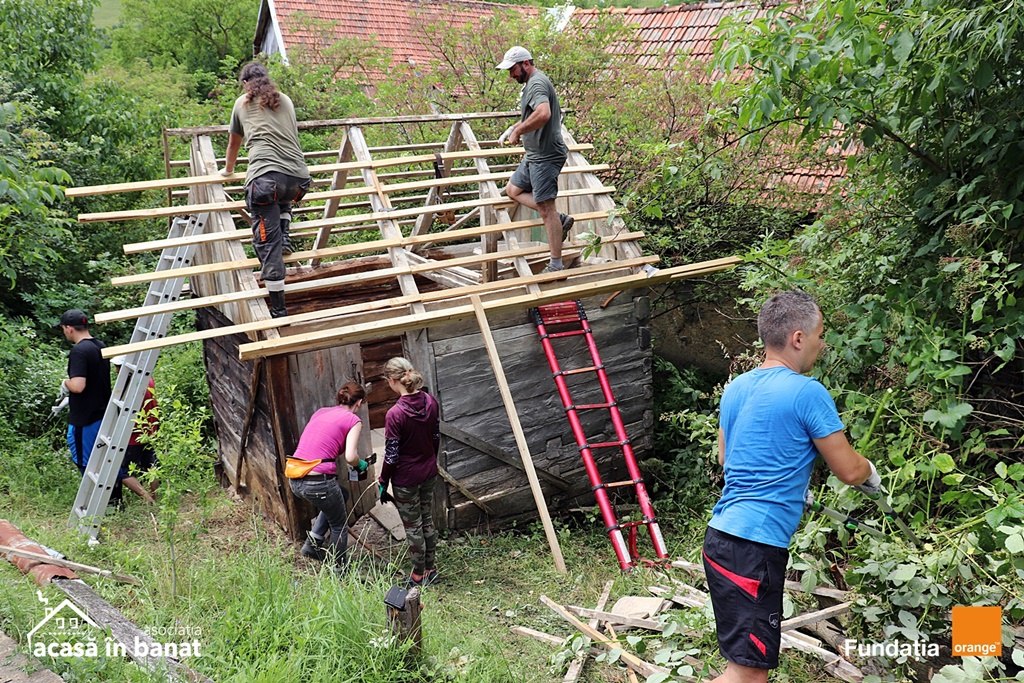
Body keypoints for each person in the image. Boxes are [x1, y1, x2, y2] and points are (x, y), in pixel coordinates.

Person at [704, 290, 882, 683]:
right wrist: (870, 470)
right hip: (752, 549)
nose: (823, 343)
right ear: (798, 337)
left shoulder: (736, 388)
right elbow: (848, 471)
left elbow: (725, 457)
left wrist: (785, 483)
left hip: (722, 539)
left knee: (744, 670)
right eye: (820, 333)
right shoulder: (807, 392)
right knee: (748, 676)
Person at [222, 61, 311, 319]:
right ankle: (285, 236)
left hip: (264, 181)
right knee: (281, 194)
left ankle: (279, 310)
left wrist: (228, 171)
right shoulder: (286, 100)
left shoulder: (242, 103)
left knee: (266, 244)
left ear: (245, 83)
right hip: (299, 181)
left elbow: (233, 144)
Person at [495, 46, 574, 274]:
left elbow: (544, 114)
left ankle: (556, 265)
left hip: (546, 156)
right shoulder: (532, 83)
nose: (511, 75)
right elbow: (534, 116)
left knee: (545, 208)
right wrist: (516, 126)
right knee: (513, 190)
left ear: (526, 63)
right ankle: (559, 220)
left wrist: (518, 131)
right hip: (534, 155)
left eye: (513, 69)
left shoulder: (537, 83)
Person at [289, 382, 369, 574]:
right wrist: (361, 465)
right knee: (339, 525)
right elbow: (350, 456)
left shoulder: (321, 412)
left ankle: (313, 544)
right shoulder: (353, 420)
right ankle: (340, 570)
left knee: (340, 494)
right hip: (318, 482)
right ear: (358, 403)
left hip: (295, 478)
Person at [379, 357, 440, 588]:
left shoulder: (395, 414)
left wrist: (383, 480)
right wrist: (430, 459)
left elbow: (392, 455)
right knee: (427, 519)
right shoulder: (431, 401)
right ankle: (431, 569)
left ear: (393, 380)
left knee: (413, 525)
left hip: (406, 479)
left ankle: (418, 575)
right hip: (429, 471)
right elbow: (436, 437)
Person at [55, 309, 111, 478]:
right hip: (102, 414)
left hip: (85, 419)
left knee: (84, 462)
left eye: (63, 328)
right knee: (104, 460)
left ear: (69, 328)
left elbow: (78, 386)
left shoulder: (79, 351)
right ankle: (116, 502)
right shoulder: (100, 346)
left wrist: (65, 383)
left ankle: (96, 502)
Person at [111, 356, 159, 504]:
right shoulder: (147, 378)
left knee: (122, 471)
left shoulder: (130, 385)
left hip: (133, 435)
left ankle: (148, 499)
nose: (117, 370)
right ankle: (156, 499)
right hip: (150, 431)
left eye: (119, 366)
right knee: (151, 467)